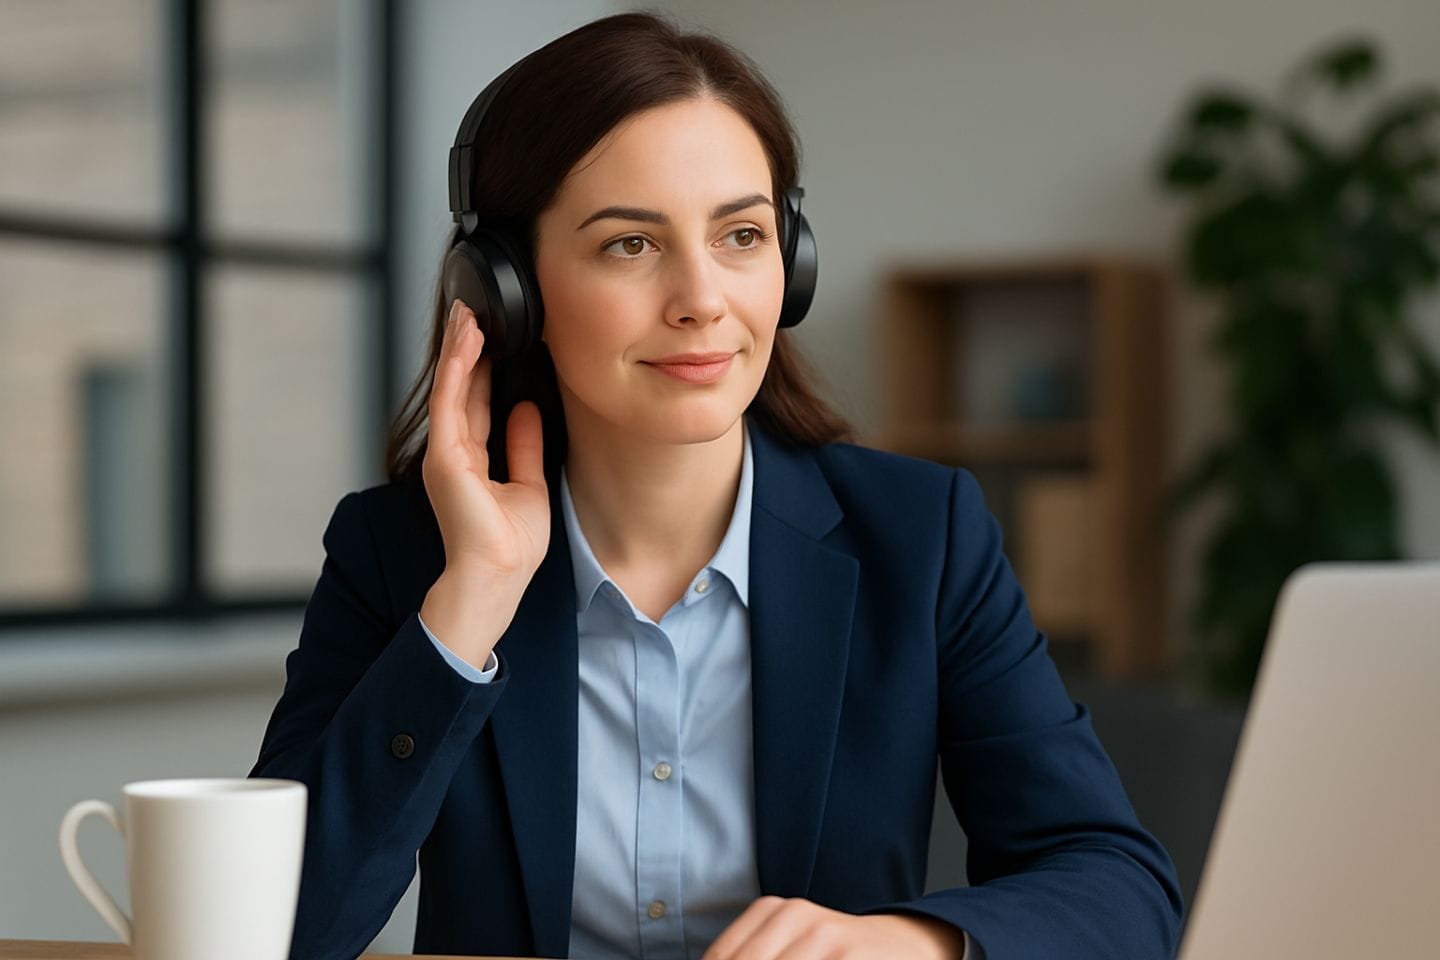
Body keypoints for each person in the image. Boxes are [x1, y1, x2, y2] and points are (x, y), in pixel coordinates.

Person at [250, 11, 1183, 960]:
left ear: (793, 262)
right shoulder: (400, 553)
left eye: (742, 234)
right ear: (506, 289)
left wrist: (914, 946)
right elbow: (273, 931)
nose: (703, 298)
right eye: (631, 244)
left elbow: (1118, 884)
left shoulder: (922, 536)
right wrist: (467, 607)